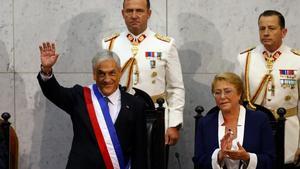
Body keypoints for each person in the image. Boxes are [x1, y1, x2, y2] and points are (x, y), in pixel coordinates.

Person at [37, 42, 147, 169]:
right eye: (101, 73)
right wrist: (46, 70)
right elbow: (54, 92)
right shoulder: (80, 97)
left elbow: (140, 152)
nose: (107, 79)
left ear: (119, 73)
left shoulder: (136, 105)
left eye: (112, 73)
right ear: (94, 74)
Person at [102, 0, 185, 146]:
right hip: (118, 116)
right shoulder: (110, 44)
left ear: (149, 13)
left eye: (139, 11)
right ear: (123, 13)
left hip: (154, 117)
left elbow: (175, 88)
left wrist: (174, 124)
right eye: (129, 11)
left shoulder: (165, 45)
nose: (134, 15)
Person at [236, 10, 300, 168]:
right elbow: (235, 99)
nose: (265, 33)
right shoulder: (245, 58)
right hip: (254, 129)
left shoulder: (297, 60)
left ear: (283, 32)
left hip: (288, 133)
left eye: (271, 28)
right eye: (262, 28)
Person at [193, 72, 275, 169]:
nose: (222, 97)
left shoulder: (259, 120)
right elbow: (198, 161)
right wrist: (219, 156)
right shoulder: (205, 123)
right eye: (217, 92)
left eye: (227, 91)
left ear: (239, 94)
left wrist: (247, 158)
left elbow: (271, 160)